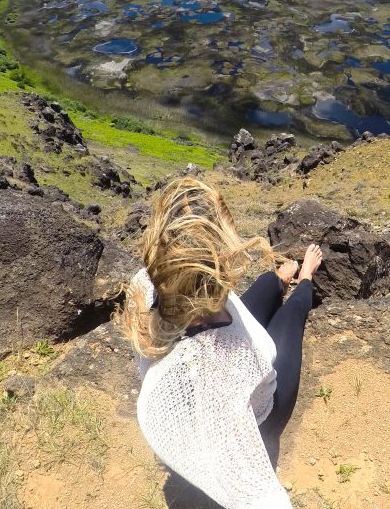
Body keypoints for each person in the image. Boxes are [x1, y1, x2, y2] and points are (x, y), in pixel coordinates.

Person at [116, 177, 323, 509]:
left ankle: (280, 277)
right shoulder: (217, 364)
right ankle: (305, 279)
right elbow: (262, 498)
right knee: (291, 316)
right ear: (215, 272)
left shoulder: (146, 287)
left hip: (209, 330)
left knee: (265, 287)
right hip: (260, 407)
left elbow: (223, 306)